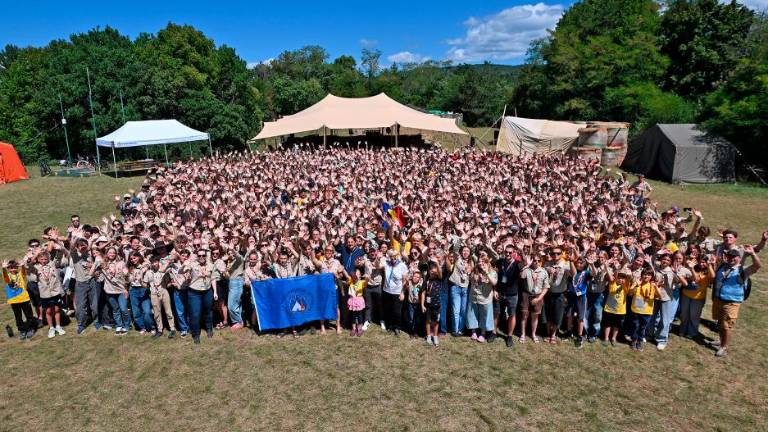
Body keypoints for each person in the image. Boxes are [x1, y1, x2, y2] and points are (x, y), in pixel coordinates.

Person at [712, 246, 761, 357]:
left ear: (739, 258)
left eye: (734, 257)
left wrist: (753, 254)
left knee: (727, 326)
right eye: (729, 256)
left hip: (731, 303)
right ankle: (721, 341)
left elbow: (757, 266)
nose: (731, 259)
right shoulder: (722, 267)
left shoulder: (742, 270)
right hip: (719, 299)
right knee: (720, 324)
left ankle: (724, 348)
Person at [184, 249, 216, 344]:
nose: (201, 257)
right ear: (197, 256)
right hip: (194, 293)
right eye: (199, 255)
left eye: (203, 255)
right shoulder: (192, 264)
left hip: (207, 291)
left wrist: (215, 292)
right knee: (195, 314)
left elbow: (213, 278)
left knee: (208, 311)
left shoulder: (211, 265)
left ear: (206, 256)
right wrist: (184, 265)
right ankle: (196, 334)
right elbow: (182, 271)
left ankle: (209, 328)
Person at [679, 254, 714, 339]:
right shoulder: (693, 267)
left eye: (704, 262)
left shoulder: (709, 270)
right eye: (700, 262)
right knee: (684, 314)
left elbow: (712, 277)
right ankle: (682, 330)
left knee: (694, 316)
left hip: (698, 297)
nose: (701, 264)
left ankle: (692, 332)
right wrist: (690, 265)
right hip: (686, 294)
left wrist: (709, 265)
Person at [466, 251, 497, 343]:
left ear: (487, 262)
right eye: (479, 261)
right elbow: (469, 279)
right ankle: (474, 331)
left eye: (483, 262)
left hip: (485, 298)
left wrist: (486, 272)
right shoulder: (474, 270)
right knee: (473, 315)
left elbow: (494, 282)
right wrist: (468, 273)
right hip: (474, 297)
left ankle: (483, 333)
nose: (480, 263)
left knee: (485, 316)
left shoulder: (492, 272)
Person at [100, 247, 130, 335]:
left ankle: (127, 325)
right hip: (110, 291)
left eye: (113, 253)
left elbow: (126, 276)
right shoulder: (104, 264)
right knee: (115, 309)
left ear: (116, 254)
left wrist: (126, 273)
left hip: (121, 290)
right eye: (110, 253)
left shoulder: (121, 263)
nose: (112, 254)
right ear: (107, 254)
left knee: (124, 309)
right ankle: (119, 325)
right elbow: (99, 276)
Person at [2, 260, 36, 340]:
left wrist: (23, 266)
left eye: (15, 267)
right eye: (11, 268)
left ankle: (31, 328)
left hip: (24, 298)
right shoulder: (8, 276)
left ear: (17, 268)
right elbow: (5, 275)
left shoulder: (20, 274)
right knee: (18, 316)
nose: (13, 269)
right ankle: (22, 330)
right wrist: (3, 268)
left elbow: (24, 271)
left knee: (29, 315)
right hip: (14, 300)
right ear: (8, 269)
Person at [519, 253, 549, 344]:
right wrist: (526, 265)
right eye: (534, 260)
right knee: (524, 316)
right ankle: (523, 334)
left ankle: (533, 334)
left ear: (541, 261)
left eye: (538, 261)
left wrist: (539, 298)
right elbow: (521, 276)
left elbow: (546, 287)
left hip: (537, 296)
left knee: (535, 317)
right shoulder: (527, 270)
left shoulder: (543, 272)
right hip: (526, 295)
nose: (536, 262)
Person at [545, 247, 572, 345]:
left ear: (561, 254)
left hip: (560, 294)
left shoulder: (566, 264)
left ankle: (553, 335)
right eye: (553, 253)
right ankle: (548, 333)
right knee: (548, 314)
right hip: (548, 293)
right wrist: (548, 269)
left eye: (558, 253)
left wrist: (571, 261)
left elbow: (573, 274)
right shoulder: (547, 263)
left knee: (558, 315)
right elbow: (543, 270)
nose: (555, 255)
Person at [496, 244, 521, 347]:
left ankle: (509, 336)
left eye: (510, 252)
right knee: (496, 313)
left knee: (512, 315)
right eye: (506, 252)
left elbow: (524, 264)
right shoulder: (500, 262)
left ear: (514, 253)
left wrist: (522, 251)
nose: (508, 254)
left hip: (512, 294)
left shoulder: (517, 264)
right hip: (500, 292)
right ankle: (494, 332)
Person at [145, 256, 176, 339]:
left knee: (168, 311)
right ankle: (159, 330)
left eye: (156, 262)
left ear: (158, 262)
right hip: (154, 294)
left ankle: (172, 329)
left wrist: (169, 284)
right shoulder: (148, 273)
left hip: (164, 291)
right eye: (152, 262)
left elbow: (169, 282)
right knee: (156, 313)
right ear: (151, 264)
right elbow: (145, 284)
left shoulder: (164, 270)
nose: (154, 264)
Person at [630, 269, 659, 351]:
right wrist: (636, 286)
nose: (646, 276)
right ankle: (633, 341)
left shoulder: (652, 286)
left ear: (651, 277)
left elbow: (660, 296)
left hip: (647, 311)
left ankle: (639, 342)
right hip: (636, 310)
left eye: (649, 275)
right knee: (636, 326)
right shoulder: (637, 283)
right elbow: (630, 293)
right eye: (645, 274)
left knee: (643, 327)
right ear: (641, 275)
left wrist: (656, 287)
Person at [381, 249, 408, 336]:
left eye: (395, 256)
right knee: (388, 309)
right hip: (387, 291)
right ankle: (390, 325)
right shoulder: (386, 263)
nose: (393, 258)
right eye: (391, 256)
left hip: (397, 292)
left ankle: (397, 327)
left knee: (397, 311)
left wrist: (402, 292)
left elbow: (405, 281)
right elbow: (377, 266)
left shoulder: (402, 265)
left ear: (398, 256)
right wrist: (378, 258)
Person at [601, 269, 632, 346]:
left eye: (622, 278)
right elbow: (613, 277)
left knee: (616, 326)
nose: (620, 279)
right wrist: (616, 270)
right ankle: (606, 338)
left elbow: (628, 281)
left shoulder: (625, 286)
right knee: (607, 324)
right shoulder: (612, 283)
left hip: (620, 311)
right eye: (619, 277)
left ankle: (613, 338)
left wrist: (628, 276)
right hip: (609, 309)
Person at [127, 252, 153, 334]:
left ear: (139, 257)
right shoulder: (129, 268)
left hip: (143, 289)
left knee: (147, 311)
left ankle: (151, 326)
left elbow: (148, 263)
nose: (133, 260)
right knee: (136, 311)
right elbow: (128, 280)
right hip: (133, 290)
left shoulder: (144, 265)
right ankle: (142, 327)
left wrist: (144, 266)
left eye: (134, 258)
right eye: (131, 259)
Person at [421, 262, 442, 346]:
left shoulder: (439, 279)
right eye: (431, 271)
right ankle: (429, 335)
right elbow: (423, 293)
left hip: (437, 305)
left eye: (434, 271)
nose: (433, 272)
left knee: (436, 321)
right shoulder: (426, 280)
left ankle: (435, 336)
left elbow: (440, 272)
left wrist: (437, 263)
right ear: (429, 271)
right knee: (428, 321)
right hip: (428, 305)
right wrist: (422, 305)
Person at [347, 267, 366, 337]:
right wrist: (343, 270)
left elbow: (367, 281)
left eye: (358, 273)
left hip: (359, 300)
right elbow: (347, 276)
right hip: (352, 300)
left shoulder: (361, 282)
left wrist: (367, 276)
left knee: (360, 315)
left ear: (360, 275)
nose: (356, 275)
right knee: (353, 315)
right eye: (355, 273)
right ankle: (354, 329)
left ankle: (360, 329)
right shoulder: (351, 281)